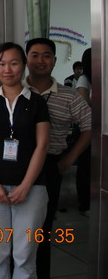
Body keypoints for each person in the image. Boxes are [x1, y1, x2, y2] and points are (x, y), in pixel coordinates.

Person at [0, 42, 50, 279]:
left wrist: (26, 185)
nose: (7, 69)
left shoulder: (37, 102)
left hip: (31, 189)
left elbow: (42, 145)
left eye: (14, 63)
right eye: (1, 64)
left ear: (24, 65)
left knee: (25, 256)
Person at [23, 38, 91, 279]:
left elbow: (89, 127)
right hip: (16, 167)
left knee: (42, 230)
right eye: (34, 55)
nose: (40, 60)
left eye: (46, 55)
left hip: (50, 167)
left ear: (53, 60)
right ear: (26, 59)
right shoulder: (14, 89)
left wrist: (69, 159)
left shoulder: (69, 96)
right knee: (14, 230)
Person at [75, 48, 92, 216]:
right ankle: (84, 204)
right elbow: (84, 102)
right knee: (85, 167)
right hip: (86, 129)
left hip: (99, 129)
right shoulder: (84, 79)